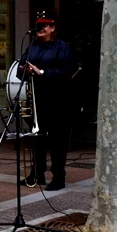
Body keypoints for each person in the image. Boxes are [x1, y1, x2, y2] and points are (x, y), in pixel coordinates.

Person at [16, 10, 75, 190]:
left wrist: (43, 73)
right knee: (37, 137)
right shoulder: (32, 46)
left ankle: (58, 177)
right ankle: (37, 173)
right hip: (37, 98)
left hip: (56, 98)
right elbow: (20, 70)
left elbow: (67, 72)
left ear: (52, 28)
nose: (40, 28)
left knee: (57, 140)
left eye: (44, 25)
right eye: (38, 25)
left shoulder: (61, 47)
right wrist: (24, 70)